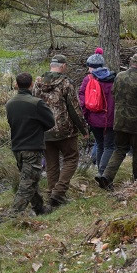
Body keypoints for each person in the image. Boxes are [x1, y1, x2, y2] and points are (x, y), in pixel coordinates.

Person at [97, 53, 137, 189]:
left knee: (119, 150)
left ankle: (106, 176)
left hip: (119, 121)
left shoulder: (119, 77)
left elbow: (114, 93)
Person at [33, 54, 88, 208]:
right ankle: (58, 193)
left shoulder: (38, 83)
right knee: (71, 158)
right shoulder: (66, 83)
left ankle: (52, 195)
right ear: (63, 66)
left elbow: (34, 106)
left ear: (51, 65)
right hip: (65, 130)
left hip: (44, 130)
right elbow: (74, 108)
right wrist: (83, 128)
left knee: (51, 164)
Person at [6, 72, 55, 216]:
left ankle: (39, 208)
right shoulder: (36, 103)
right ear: (31, 84)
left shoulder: (10, 104)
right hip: (32, 146)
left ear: (16, 84)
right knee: (27, 182)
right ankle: (14, 213)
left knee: (31, 178)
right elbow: (50, 122)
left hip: (17, 146)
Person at [79, 49, 116, 176]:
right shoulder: (113, 78)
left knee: (100, 145)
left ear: (91, 67)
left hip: (94, 119)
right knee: (109, 146)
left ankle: (100, 172)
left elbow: (82, 101)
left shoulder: (88, 80)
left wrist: (84, 118)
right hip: (110, 119)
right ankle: (102, 173)